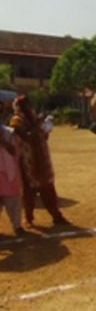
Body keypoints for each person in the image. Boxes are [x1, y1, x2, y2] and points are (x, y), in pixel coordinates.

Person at [10, 95, 69, 226]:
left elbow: (43, 136)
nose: (28, 107)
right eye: (24, 105)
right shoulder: (16, 120)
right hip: (27, 160)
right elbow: (26, 137)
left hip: (42, 158)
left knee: (48, 188)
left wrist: (46, 129)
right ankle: (29, 218)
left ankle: (56, 216)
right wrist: (38, 125)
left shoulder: (35, 118)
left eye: (28, 104)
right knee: (29, 190)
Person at [0, 107, 25, 236]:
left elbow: (14, 151)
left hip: (8, 172)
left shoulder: (9, 133)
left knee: (14, 201)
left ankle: (17, 226)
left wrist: (2, 141)